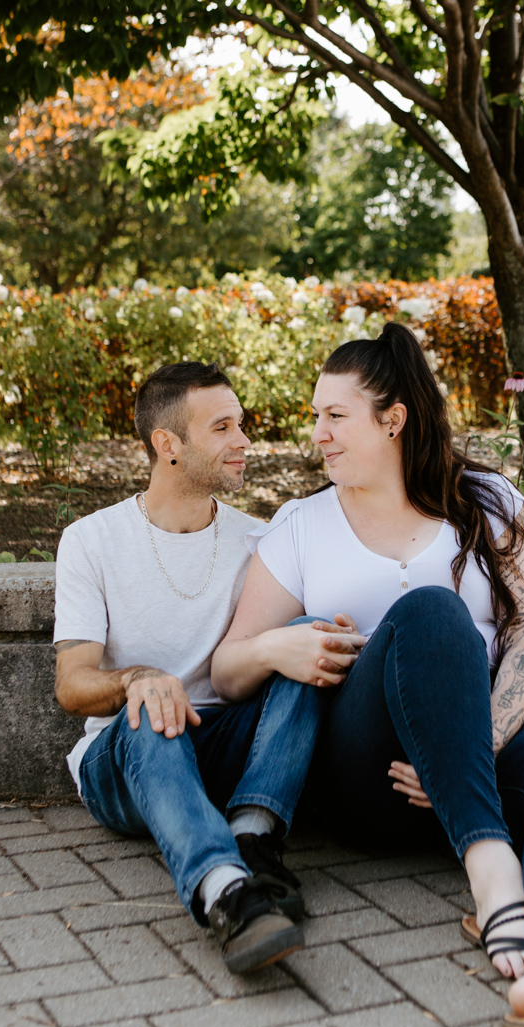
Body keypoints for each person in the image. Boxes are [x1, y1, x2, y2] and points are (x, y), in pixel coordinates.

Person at [212, 323, 524, 1027]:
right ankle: (492, 875)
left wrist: (473, 752)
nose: (318, 435)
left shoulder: (487, 500)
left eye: (333, 417)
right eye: (316, 418)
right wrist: (280, 647)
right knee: (431, 614)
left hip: (474, 741)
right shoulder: (302, 526)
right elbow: (228, 671)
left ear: (393, 419)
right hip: (363, 766)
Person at [54, 360, 346, 974]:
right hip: (127, 763)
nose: (244, 441)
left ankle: (253, 837)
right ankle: (227, 895)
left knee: (300, 637)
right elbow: (73, 685)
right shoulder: (91, 540)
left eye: (241, 424)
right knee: (149, 710)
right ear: (169, 446)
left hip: (223, 746)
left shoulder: (258, 540)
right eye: (223, 428)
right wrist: (137, 678)